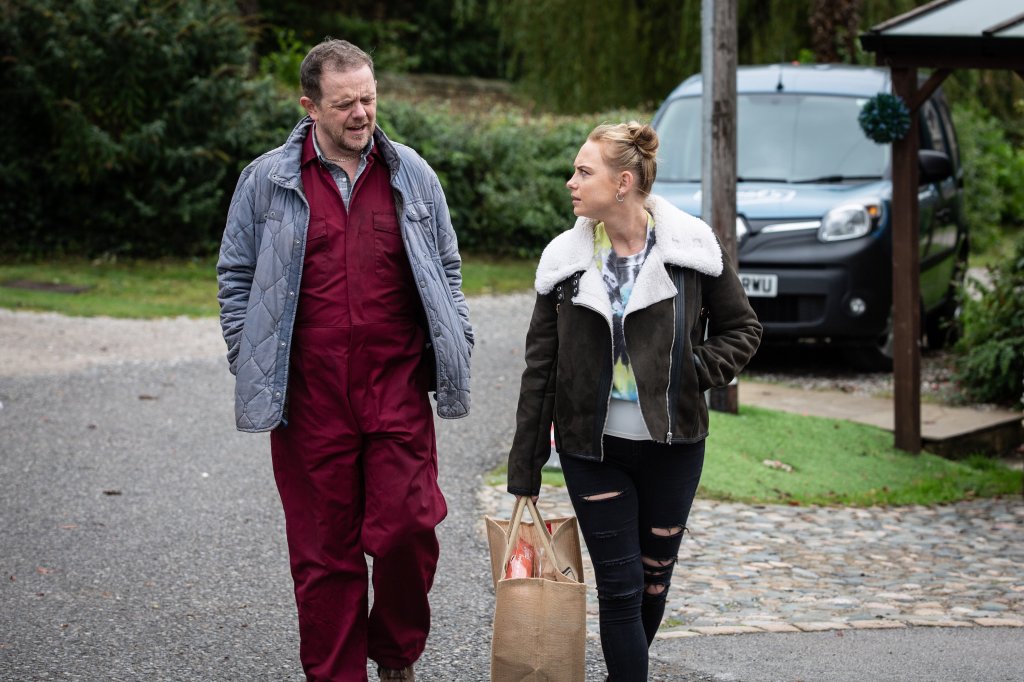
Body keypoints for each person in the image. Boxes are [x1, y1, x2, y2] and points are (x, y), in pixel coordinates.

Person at [216, 39, 473, 682]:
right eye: (344, 104)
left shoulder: (412, 174)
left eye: (368, 98)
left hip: (396, 390)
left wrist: (458, 341)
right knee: (323, 552)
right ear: (309, 107)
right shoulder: (266, 181)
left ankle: (396, 651)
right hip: (309, 399)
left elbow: (446, 267)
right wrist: (248, 355)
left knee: (410, 528)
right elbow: (236, 276)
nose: (361, 113)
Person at [506, 122, 761, 680]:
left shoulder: (691, 248)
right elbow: (540, 369)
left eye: (583, 171)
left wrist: (691, 373)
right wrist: (525, 467)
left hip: (675, 446)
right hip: (591, 448)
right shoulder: (565, 261)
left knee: (652, 583)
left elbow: (743, 330)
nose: (571, 182)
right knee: (619, 588)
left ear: (623, 183)